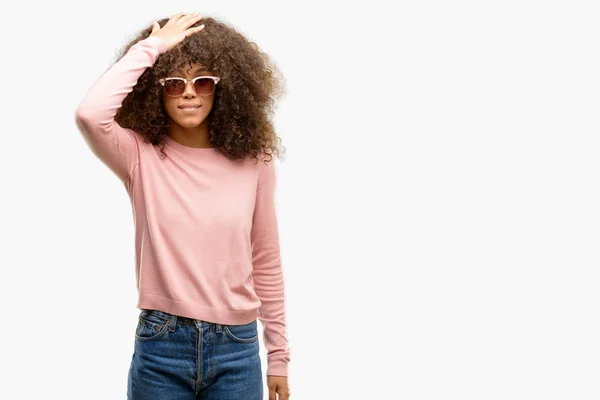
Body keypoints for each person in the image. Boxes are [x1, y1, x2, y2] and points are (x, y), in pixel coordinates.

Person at [74, 12, 291, 400]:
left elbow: (266, 257)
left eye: (202, 81)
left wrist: (278, 356)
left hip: (237, 349)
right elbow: (90, 114)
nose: (189, 92)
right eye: (174, 83)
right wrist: (153, 47)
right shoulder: (139, 156)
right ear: (156, 91)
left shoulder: (255, 160)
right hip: (161, 346)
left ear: (222, 89)